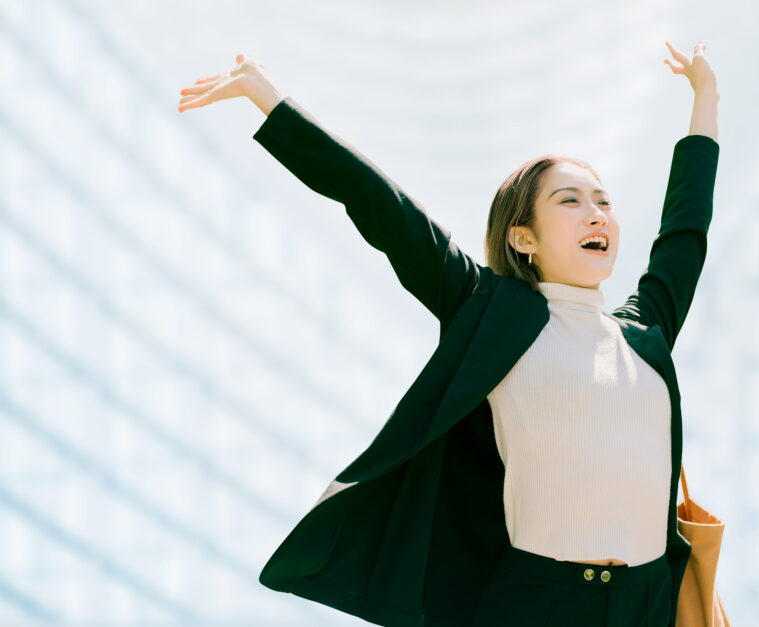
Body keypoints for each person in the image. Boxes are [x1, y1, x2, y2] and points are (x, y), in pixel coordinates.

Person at [179, 40, 719, 627]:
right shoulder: (490, 309)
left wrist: (705, 97)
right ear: (523, 238)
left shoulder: (645, 332)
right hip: (537, 603)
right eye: (570, 201)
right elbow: (382, 207)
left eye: (603, 202)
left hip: (647, 603)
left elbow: (684, 231)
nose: (597, 214)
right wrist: (268, 99)